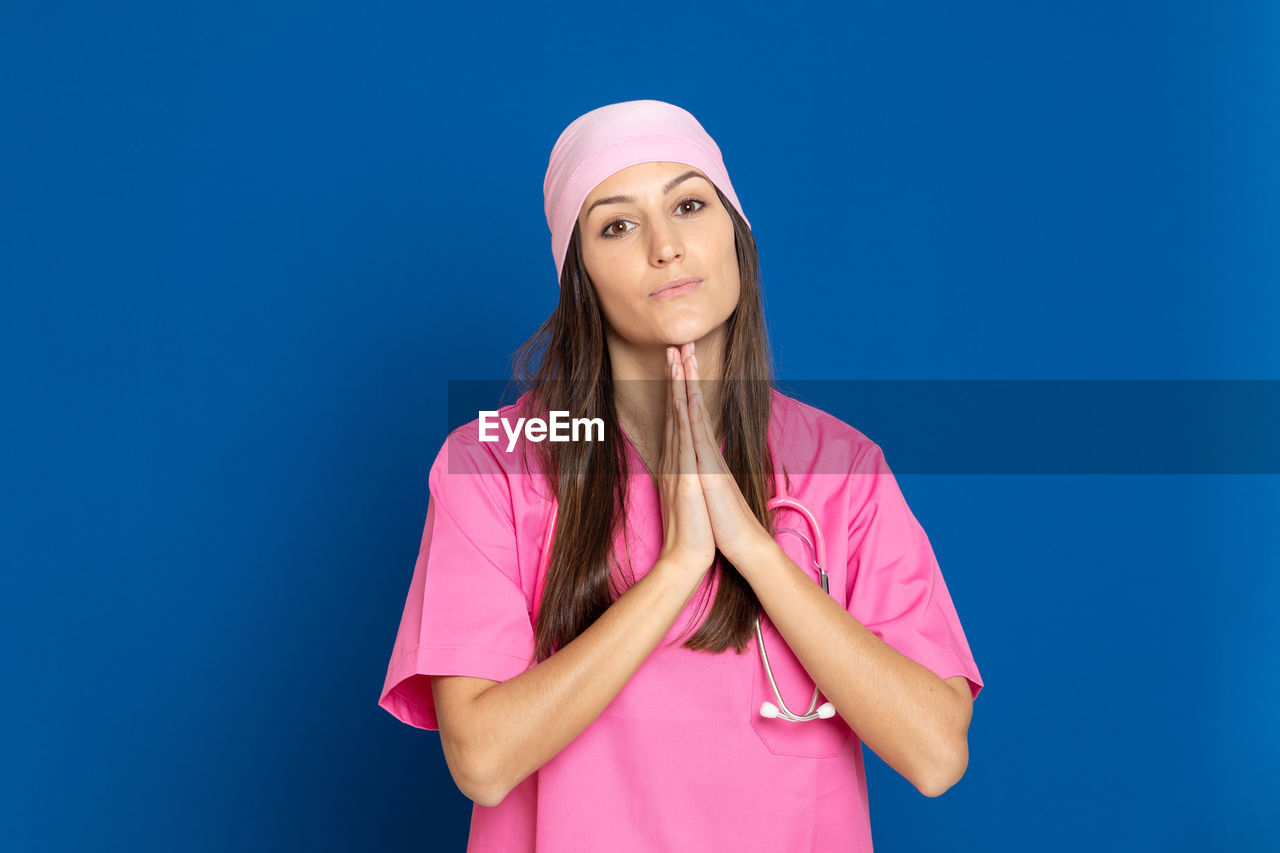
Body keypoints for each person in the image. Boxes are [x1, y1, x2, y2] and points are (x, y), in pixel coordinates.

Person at [378, 99, 984, 852]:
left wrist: (755, 550)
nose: (665, 247)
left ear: (737, 235)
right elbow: (484, 760)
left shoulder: (842, 464)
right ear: (579, 277)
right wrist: (679, 567)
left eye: (690, 205)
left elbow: (935, 752)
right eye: (617, 225)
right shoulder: (494, 461)